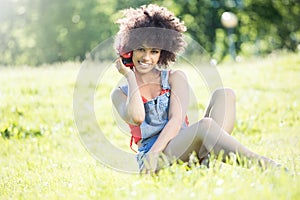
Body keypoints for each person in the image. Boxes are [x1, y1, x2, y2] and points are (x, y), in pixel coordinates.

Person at [111, 4, 281, 173]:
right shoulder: (120, 94)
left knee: (225, 94)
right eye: (141, 49)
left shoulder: (174, 78)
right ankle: (266, 166)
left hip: (182, 145)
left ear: (161, 53)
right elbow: (138, 117)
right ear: (129, 50)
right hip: (153, 157)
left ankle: (207, 161)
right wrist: (130, 76)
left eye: (154, 51)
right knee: (205, 126)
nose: (147, 57)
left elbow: (176, 121)